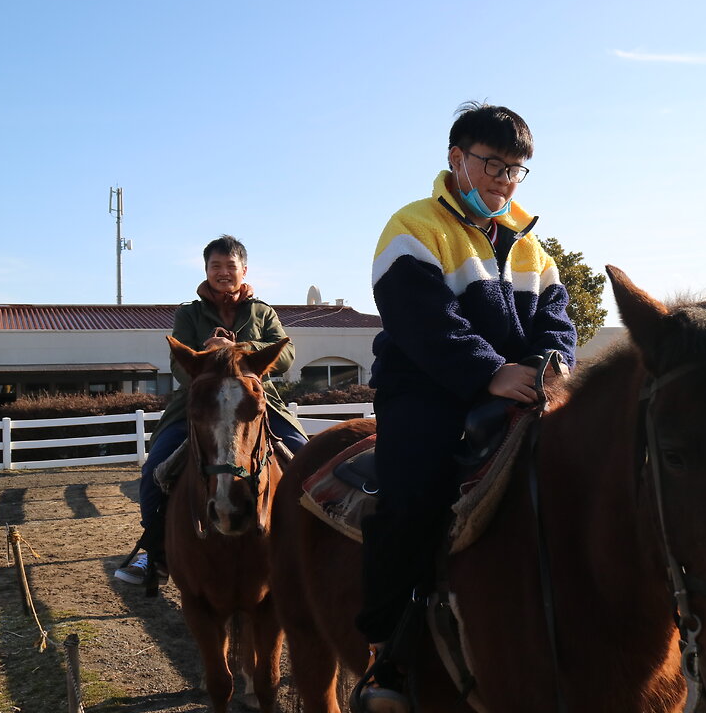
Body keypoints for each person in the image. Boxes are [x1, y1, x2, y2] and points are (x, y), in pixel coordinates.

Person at [355, 102, 578, 711]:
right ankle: (387, 656)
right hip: (426, 388)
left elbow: (559, 320)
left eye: (514, 170)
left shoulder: (532, 244)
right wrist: (490, 372)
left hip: (521, 389)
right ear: (456, 158)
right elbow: (422, 320)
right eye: (491, 164)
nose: (503, 180)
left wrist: (551, 367)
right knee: (412, 495)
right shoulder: (413, 226)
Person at [116, 235, 309, 589]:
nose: (223, 273)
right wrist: (212, 362)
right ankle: (154, 553)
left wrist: (238, 349)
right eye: (216, 266)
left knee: (306, 458)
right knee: (153, 471)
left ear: (243, 270)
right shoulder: (188, 314)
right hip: (201, 403)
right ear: (206, 270)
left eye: (230, 266)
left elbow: (286, 355)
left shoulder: (263, 312)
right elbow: (179, 362)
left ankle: (313, 547)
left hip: (255, 401)